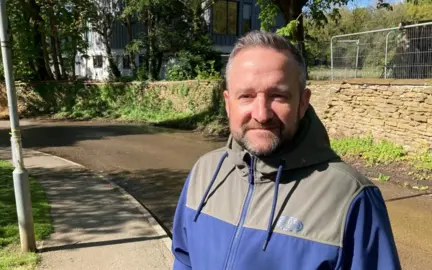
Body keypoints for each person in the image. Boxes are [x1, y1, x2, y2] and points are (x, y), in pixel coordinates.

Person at [171, 31, 401, 270]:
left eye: (278, 96)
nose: (261, 114)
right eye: (246, 96)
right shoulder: (204, 172)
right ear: (228, 103)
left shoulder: (351, 197)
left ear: (302, 102)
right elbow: (184, 258)